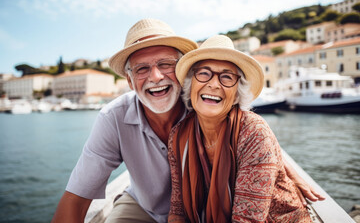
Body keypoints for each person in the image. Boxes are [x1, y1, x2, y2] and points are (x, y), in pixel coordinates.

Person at [52, 19, 323, 223]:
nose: (156, 76)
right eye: (142, 68)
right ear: (129, 80)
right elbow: (76, 198)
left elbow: (251, 133)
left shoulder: (202, 103)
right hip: (145, 206)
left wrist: (288, 169)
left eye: (166, 64)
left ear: (182, 72)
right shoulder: (117, 118)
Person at [167, 35, 312, 222]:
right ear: (190, 83)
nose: (213, 84)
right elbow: (178, 211)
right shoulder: (178, 136)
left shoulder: (253, 132)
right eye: (203, 73)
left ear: (237, 93)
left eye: (226, 77)